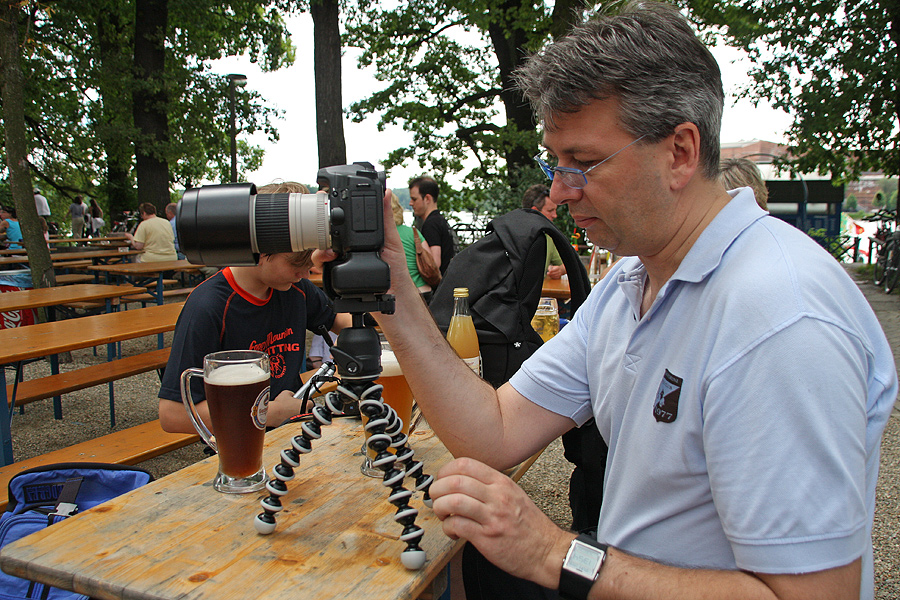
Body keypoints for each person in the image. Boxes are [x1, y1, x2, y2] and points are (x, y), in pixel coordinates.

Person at [365, 3, 896, 599]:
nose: (562, 193)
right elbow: (494, 430)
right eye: (557, 164)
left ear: (680, 152)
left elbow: (812, 596)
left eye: (585, 164)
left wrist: (552, 553)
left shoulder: (777, 318)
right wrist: (394, 295)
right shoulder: (630, 286)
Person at [157, 181, 352, 434]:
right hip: (242, 439)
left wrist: (352, 338)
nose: (306, 272)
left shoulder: (295, 288)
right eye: (296, 263)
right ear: (259, 251)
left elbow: (339, 319)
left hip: (290, 429)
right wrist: (268, 413)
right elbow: (172, 416)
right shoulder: (208, 306)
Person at [391, 190, 434, 302]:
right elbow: (430, 259)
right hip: (424, 292)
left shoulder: (379, 236)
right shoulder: (413, 232)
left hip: (399, 297)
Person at [408, 176, 455, 274]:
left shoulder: (431, 224)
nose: (410, 203)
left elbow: (434, 263)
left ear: (427, 198)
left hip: (440, 285)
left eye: (414, 199)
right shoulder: (440, 220)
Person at [523, 183, 567, 280]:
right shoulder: (510, 236)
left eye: (555, 210)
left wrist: (559, 270)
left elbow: (567, 263)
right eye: (550, 210)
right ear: (535, 212)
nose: (555, 215)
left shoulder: (547, 236)